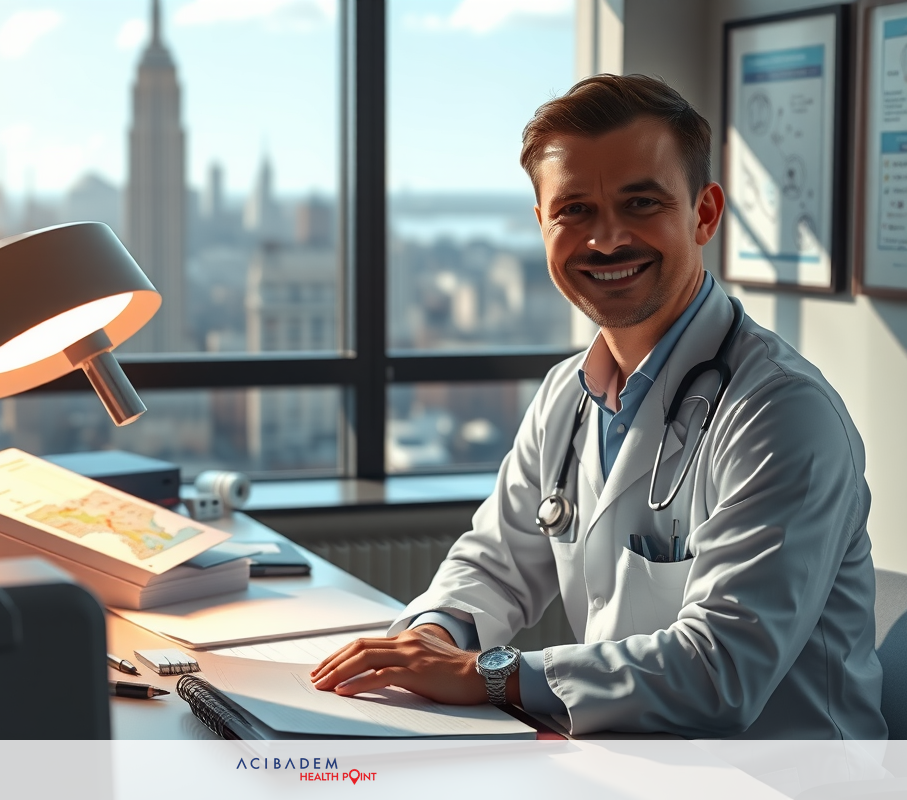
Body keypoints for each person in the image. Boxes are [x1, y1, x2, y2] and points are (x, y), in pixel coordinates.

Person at [310, 74, 887, 738]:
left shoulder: (781, 412)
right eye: (574, 210)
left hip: (785, 775)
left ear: (703, 213)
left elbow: (722, 670)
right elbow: (495, 562)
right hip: (627, 759)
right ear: (541, 226)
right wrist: (432, 637)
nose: (606, 239)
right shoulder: (567, 395)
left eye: (641, 203)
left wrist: (487, 676)